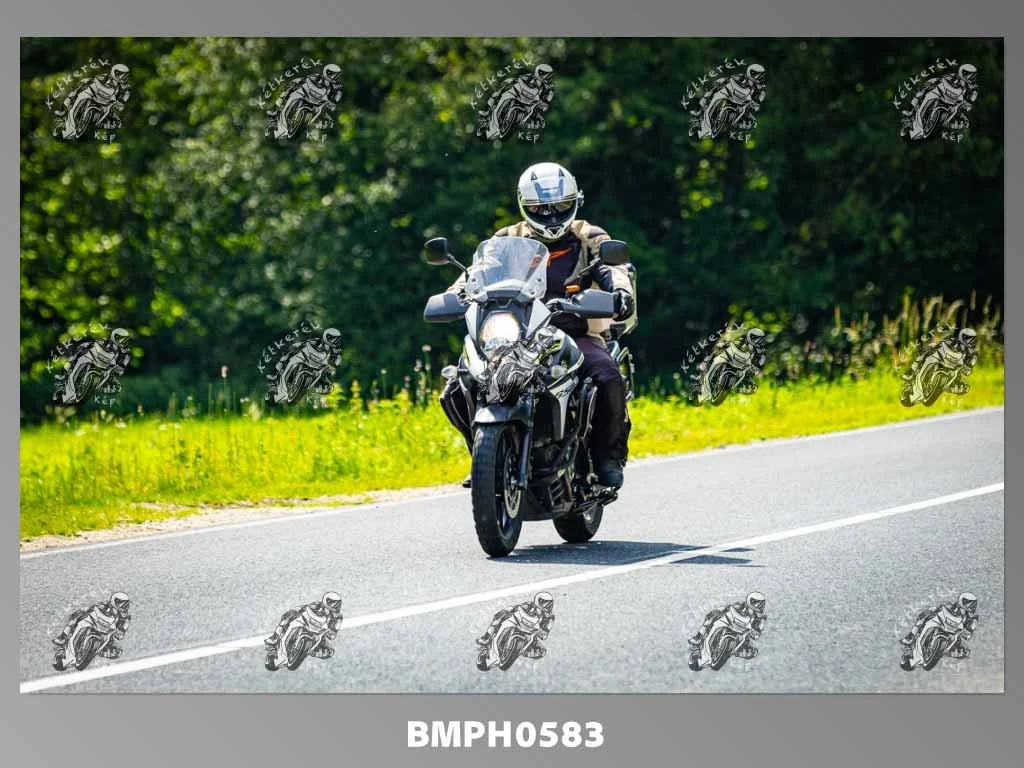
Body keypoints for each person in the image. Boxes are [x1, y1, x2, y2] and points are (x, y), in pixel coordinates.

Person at [447, 162, 636, 488]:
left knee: (607, 375)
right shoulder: (507, 238)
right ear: (524, 205)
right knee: (459, 382)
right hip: (516, 333)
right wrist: (454, 294)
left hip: (574, 329)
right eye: (540, 208)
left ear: (575, 201)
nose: (550, 214)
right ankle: (483, 455)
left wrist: (621, 292)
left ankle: (609, 455)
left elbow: (612, 267)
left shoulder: (588, 236)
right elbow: (476, 273)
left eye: (559, 206)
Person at [53, 592, 131, 670]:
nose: (122, 606)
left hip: (107, 632)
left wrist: (120, 631)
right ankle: (63, 636)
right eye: (121, 603)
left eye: (125, 604)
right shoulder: (105, 604)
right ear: (114, 601)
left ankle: (95, 652)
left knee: (117, 652)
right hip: (93, 623)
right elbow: (92, 607)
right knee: (79, 613)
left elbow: (120, 635)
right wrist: (87, 610)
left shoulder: (125, 618)